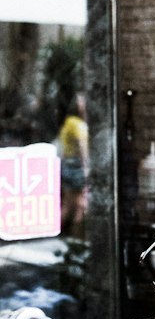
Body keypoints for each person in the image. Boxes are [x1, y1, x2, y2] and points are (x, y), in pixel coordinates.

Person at [56, 93, 88, 234]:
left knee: (74, 204)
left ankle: (67, 235)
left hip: (69, 165)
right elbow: (82, 146)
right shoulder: (76, 123)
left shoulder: (69, 123)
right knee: (76, 205)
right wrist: (86, 166)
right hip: (76, 166)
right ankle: (67, 235)